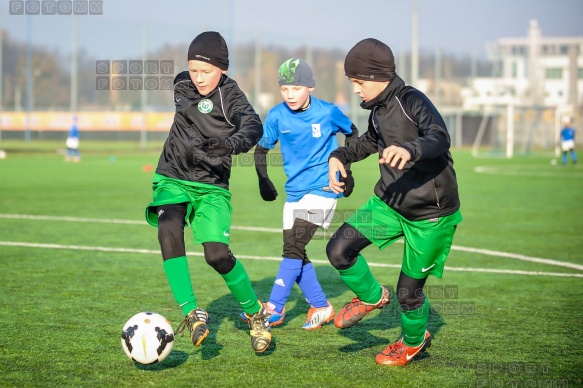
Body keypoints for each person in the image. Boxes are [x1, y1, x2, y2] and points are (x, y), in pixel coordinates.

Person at [325, 38, 462, 366]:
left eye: (358, 82)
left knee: (408, 293)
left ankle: (414, 342)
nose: (356, 89)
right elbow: (370, 141)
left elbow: (440, 137)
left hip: (430, 215)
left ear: (374, 77)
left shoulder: (411, 100)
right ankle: (372, 297)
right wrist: (339, 155)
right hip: (388, 204)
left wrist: (411, 149)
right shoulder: (377, 110)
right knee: (339, 251)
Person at [144, 31, 272, 353]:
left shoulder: (232, 98)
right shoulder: (181, 85)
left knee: (216, 255)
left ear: (223, 70)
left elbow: (253, 126)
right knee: (168, 228)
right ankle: (191, 311)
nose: (198, 78)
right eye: (193, 70)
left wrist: (229, 143)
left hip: (212, 186)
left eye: (206, 71)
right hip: (172, 175)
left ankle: (256, 314)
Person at [239, 58, 358, 330]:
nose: (290, 94)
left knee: (293, 248)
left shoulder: (328, 112)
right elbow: (261, 150)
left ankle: (273, 309)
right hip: (294, 193)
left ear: (310, 87)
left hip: (323, 190)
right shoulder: (277, 115)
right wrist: (263, 180)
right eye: (284, 89)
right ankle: (321, 306)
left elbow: (354, 135)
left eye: (296, 88)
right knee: (296, 252)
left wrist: (346, 170)